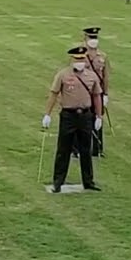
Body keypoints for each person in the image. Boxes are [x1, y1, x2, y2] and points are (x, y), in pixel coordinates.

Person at [42, 46, 103, 193]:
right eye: (77, 59)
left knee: (85, 150)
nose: (80, 62)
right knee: (63, 149)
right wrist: (47, 114)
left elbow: (96, 96)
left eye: (82, 59)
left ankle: (88, 181)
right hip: (68, 115)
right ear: (72, 60)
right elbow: (54, 94)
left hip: (85, 116)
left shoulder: (91, 76)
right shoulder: (63, 75)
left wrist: (99, 116)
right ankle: (58, 182)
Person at [83, 27, 110, 158]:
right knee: (81, 119)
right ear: (85, 38)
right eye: (91, 37)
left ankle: (97, 149)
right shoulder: (80, 55)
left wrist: (105, 94)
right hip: (84, 92)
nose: (93, 40)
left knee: (98, 119)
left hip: (97, 93)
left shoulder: (103, 56)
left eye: (95, 38)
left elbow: (105, 76)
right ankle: (77, 149)